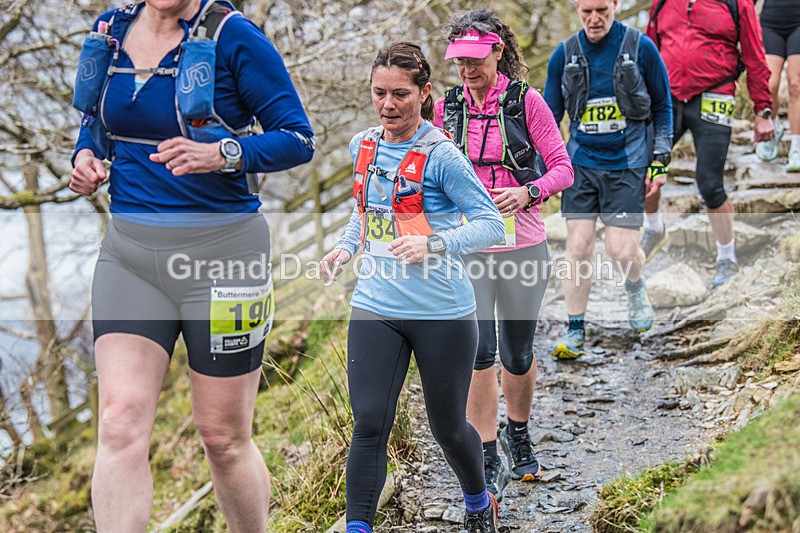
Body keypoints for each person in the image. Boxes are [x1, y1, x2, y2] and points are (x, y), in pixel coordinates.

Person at [69, 0, 314, 531]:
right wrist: (85, 156)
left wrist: (225, 153)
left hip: (225, 262)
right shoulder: (111, 29)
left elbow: (298, 139)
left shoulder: (234, 36)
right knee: (118, 423)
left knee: (223, 438)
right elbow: (95, 122)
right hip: (131, 258)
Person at [320, 42, 505, 533]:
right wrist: (344, 249)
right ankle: (359, 527)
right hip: (375, 305)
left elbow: (491, 225)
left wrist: (434, 244)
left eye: (400, 94)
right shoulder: (362, 145)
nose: (387, 105)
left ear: (424, 93)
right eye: (379, 93)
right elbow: (365, 213)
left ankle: (478, 501)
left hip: (441, 312)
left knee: (448, 428)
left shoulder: (442, 156)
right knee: (369, 424)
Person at [432, 9, 574, 502]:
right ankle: (487, 452)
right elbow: (426, 168)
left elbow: (562, 168)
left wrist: (528, 191)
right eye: (458, 60)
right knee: (479, 353)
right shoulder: (446, 109)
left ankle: (518, 432)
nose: (466, 69)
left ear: (497, 51)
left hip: (523, 244)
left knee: (516, 354)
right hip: (469, 246)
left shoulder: (526, 102)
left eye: (475, 59)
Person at [543, 0, 672, 359]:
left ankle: (635, 286)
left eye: (601, 9)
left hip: (627, 162)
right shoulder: (564, 54)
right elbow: (548, 117)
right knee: (578, 246)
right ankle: (575, 328)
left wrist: (659, 159)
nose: (594, 18)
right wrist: (542, 169)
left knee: (622, 251)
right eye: (587, 11)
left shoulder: (641, 47)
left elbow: (663, 106)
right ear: (577, 8)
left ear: (615, 4)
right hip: (581, 164)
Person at [642, 0, 775, 284]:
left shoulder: (737, 4)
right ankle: (654, 227)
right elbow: (648, 51)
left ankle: (727, 257)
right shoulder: (662, 3)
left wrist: (763, 110)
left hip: (715, 94)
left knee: (710, 184)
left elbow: (754, 55)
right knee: (645, 169)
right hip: (668, 99)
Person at [755, 0, 800, 171]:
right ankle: (772, 127)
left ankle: (796, 147)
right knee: (769, 85)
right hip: (771, 22)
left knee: (796, 84)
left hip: (798, 22)